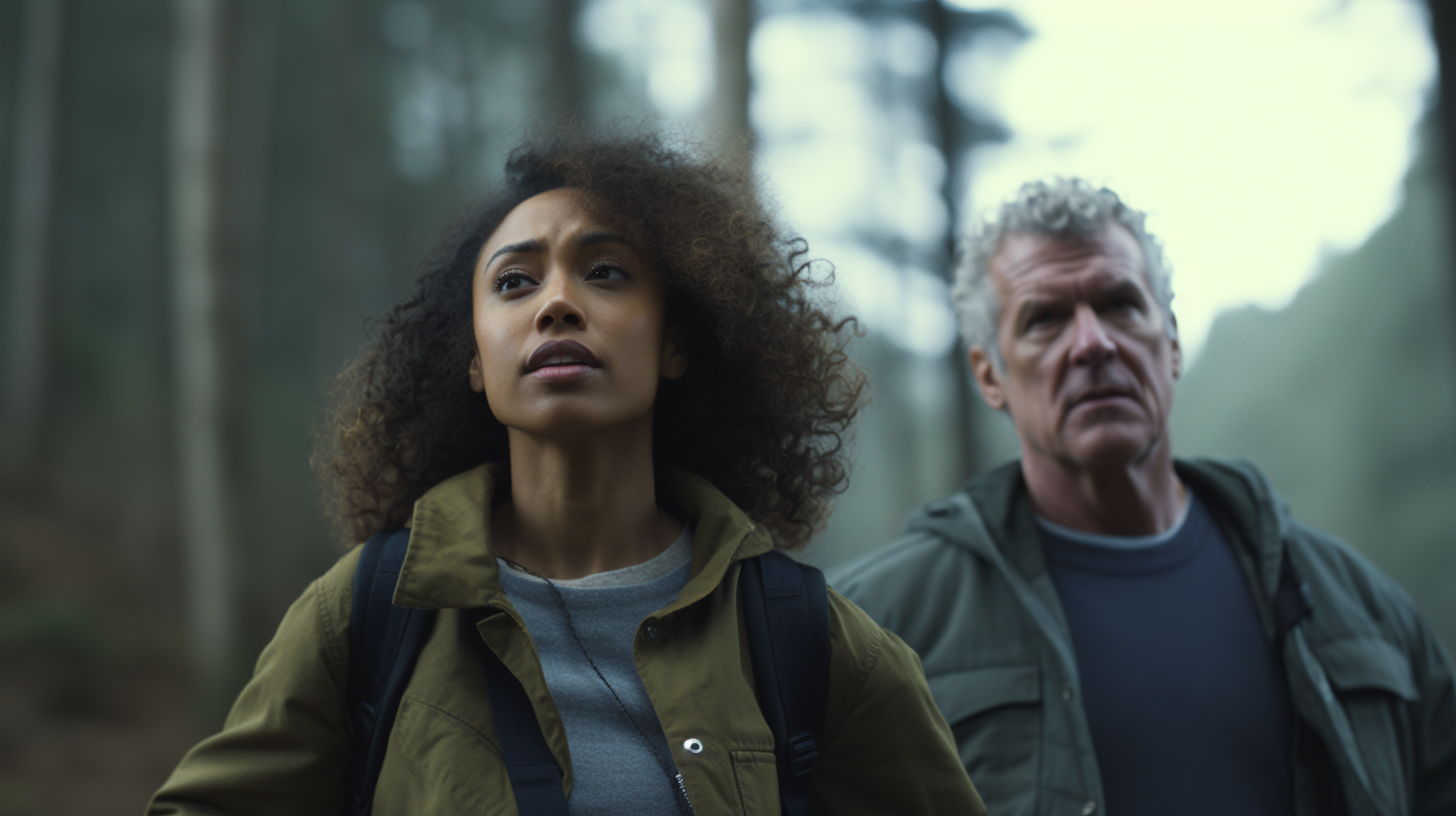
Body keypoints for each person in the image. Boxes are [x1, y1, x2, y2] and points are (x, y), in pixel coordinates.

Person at [146, 135, 985, 815]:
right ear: (475, 360)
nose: (555, 303)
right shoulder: (371, 615)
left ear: (676, 342)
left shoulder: (803, 637)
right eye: (514, 282)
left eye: (606, 271)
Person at [830, 178, 1456, 816]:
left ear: (1173, 341)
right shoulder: (868, 630)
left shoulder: (1362, 609)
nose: (1093, 343)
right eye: (1045, 319)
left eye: (1120, 304)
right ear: (991, 374)